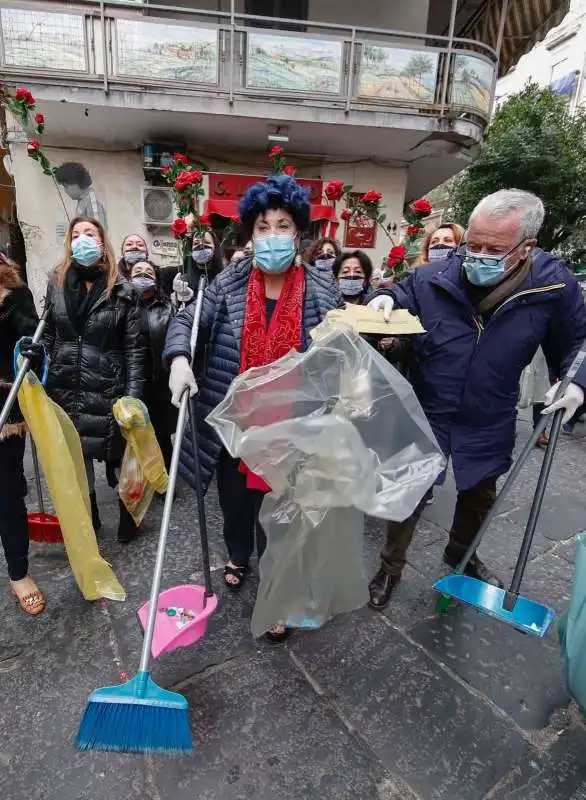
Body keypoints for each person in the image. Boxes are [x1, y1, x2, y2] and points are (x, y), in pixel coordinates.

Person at [367, 189, 586, 610]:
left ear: (527, 248)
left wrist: (572, 382)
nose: (479, 255)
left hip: (490, 409)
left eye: (494, 249)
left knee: (480, 493)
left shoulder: (554, 285)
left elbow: (577, 342)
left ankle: (461, 556)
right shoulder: (436, 275)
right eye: (474, 243)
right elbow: (403, 295)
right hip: (428, 403)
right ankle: (389, 567)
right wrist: (384, 299)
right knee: (409, 491)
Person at [163, 175, 344, 642]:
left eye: (282, 225)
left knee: (282, 513)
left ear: (298, 233)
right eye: (263, 227)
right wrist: (179, 357)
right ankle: (237, 556)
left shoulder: (322, 289)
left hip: (293, 430)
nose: (272, 236)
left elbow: (344, 348)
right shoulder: (231, 280)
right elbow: (188, 318)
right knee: (236, 505)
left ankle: (278, 589)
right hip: (236, 426)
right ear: (250, 235)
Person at [43, 216, 146, 544]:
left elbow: (135, 348)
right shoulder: (56, 283)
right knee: (77, 458)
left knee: (120, 457)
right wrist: (37, 360)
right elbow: (48, 332)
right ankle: (89, 515)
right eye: (76, 234)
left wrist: (133, 395)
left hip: (108, 388)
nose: (82, 239)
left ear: (102, 242)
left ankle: (129, 511)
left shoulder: (123, 289)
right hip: (66, 387)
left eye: (90, 233)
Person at [0, 250, 46, 614]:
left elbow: (33, 343)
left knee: (7, 492)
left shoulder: (15, 294)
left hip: (4, 409)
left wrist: (31, 350)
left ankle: (18, 571)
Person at [129, 260, 176, 471]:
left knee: (161, 435)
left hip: (158, 382)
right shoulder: (121, 305)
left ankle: (164, 477)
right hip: (129, 380)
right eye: (137, 272)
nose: (143, 275)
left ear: (156, 280)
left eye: (148, 272)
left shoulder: (167, 307)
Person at [170, 223, 224, 303]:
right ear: (191, 250)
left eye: (207, 242)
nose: (201, 245)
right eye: (196, 243)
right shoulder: (184, 280)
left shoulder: (224, 277)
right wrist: (181, 298)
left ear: (215, 248)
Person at [54, 162, 107, 230]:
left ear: (76, 182)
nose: (65, 191)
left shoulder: (92, 202)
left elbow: (98, 231)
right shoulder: (83, 199)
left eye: (66, 186)